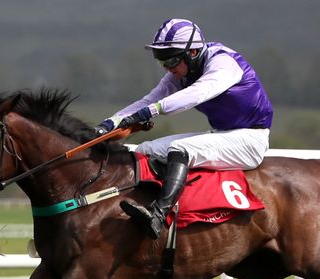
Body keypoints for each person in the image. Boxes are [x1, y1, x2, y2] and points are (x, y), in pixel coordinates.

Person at [95, 19, 273, 239]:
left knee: (181, 149)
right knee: (145, 149)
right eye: (162, 62)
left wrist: (153, 110)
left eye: (171, 60)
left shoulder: (224, 64)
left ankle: (158, 216)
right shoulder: (182, 72)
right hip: (223, 135)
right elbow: (150, 99)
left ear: (194, 52)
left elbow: (196, 94)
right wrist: (110, 122)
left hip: (250, 139)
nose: (168, 69)